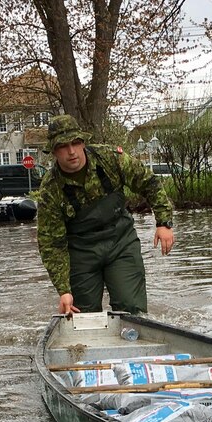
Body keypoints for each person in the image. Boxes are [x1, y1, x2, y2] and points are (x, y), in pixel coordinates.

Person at [35, 115, 174, 315]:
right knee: (82, 317)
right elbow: (51, 244)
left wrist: (164, 223)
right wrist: (63, 290)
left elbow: (149, 182)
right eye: (63, 146)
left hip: (120, 242)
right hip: (81, 253)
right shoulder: (50, 190)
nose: (72, 151)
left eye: (76, 143)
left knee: (131, 309)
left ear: (83, 142)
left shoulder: (109, 158)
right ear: (54, 151)